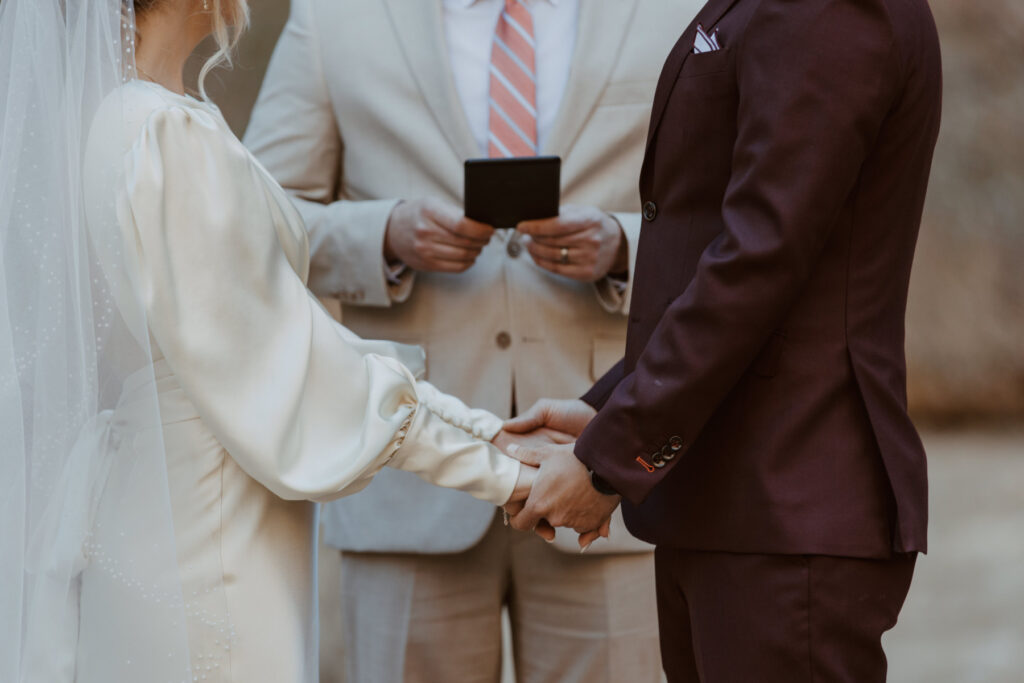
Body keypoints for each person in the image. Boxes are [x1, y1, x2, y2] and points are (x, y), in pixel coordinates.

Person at [0, 1, 548, 681]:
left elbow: (289, 345)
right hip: (212, 522)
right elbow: (296, 373)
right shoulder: (161, 133)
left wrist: (491, 434)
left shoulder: (123, 121)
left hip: (161, 497)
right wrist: (505, 469)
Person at [244, 0, 701, 680]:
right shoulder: (334, 18)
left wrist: (628, 247)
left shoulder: (672, 12)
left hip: (610, 478)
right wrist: (383, 236)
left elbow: (729, 215)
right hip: (408, 473)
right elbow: (255, 216)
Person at [503, 0, 943, 681]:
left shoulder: (825, 11)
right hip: (731, 504)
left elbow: (759, 260)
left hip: (785, 507)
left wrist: (611, 458)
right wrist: (609, 411)